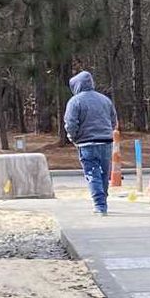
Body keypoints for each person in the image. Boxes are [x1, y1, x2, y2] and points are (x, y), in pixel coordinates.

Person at [63, 69, 118, 215]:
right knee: (104, 174)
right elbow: (113, 121)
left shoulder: (75, 101)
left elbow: (70, 123)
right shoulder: (105, 100)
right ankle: (103, 202)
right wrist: (107, 132)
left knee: (93, 174)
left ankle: (100, 206)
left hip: (87, 143)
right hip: (106, 142)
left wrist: (73, 137)